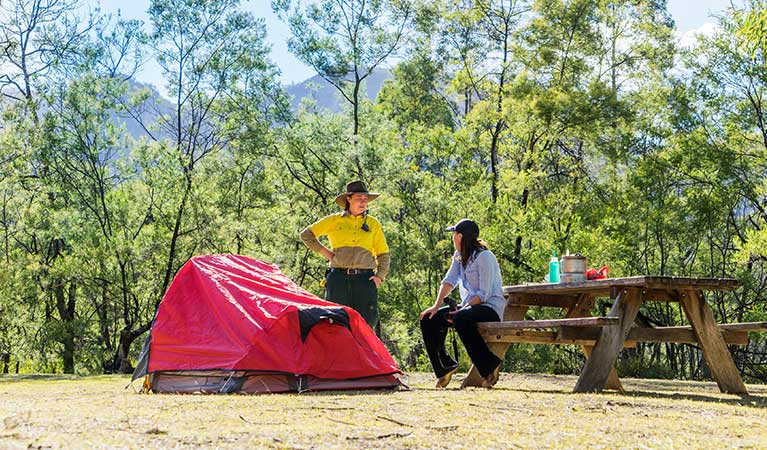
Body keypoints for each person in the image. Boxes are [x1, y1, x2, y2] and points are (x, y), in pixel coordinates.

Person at [419, 219, 506, 389]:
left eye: (453, 234)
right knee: (429, 319)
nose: (452, 238)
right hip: (470, 308)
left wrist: (462, 309)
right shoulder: (459, 257)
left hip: (489, 308)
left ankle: (490, 366)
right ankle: (444, 368)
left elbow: (484, 294)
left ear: (459, 236)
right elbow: (449, 281)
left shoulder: (485, 257)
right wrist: (436, 307)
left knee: (461, 319)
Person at [300, 180, 390, 332]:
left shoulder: (374, 224)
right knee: (334, 322)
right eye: (359, 198)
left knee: (366, 325)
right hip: (338, 280)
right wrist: (327, 253)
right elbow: (306, 235)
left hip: (365, 280)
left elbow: (383, 254)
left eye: (365, 199)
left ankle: (362, 356)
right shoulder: (334, 220)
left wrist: (379, 276)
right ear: (349, 199)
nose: (363, 202)